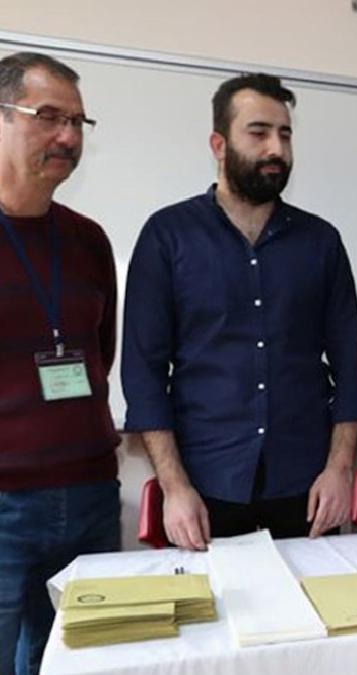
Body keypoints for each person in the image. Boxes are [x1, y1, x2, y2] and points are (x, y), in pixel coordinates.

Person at [122, 74, 357, 551]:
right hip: (204, 487)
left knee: (314, 599)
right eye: (259, 133)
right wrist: (174, 488)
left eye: (285, 134)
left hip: (308, 488)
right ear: (219, 144)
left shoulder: (321, 242)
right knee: (212, 602)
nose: (276, 148)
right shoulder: (168, 235)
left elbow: (351, 367)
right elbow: (144, 373)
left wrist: (340, 470)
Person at [0, 52, 119, 675]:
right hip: (4, 502)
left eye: (77, 122)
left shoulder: (88, 240)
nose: (68, 137)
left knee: (85, 662)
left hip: (92, 492)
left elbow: (102, 352)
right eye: (48, 116)